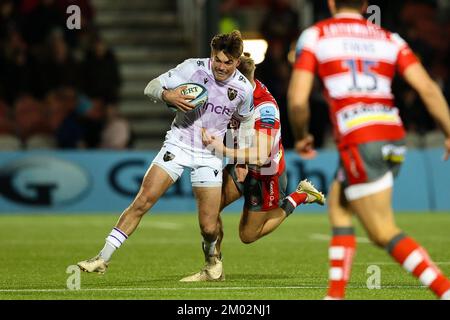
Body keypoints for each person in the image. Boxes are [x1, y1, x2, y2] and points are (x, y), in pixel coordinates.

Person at [288, 0, 450, 300]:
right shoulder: (389, 39)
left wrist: (301, 136)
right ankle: (335, 296)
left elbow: (298, 100)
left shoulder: (316, 36)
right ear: (364, 5)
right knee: (338, 204)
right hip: (393, 135)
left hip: (361, 138)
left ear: (331, 3)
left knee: (382, 232)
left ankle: (444, 290)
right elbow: (428, 88)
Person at [77, 30, 254, 282]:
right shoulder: (193, 68)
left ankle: (212, 262)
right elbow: (152, 86)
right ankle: (102, 258)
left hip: (210, 155)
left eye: (228, 62)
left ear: (237, 62)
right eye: (217, 60)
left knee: (208, 226)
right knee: (142, 201)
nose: (221, 67)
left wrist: (241, 159)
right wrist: (167, 95)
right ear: (211, 55)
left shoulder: (244, 89)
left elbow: (245, 122)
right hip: (178, 145)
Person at [201, 54, 325, 270]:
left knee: (247, 235)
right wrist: (237, 162)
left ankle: (300, 196)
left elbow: (259, 156)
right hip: (241, 162)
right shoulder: (233, 94)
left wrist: (224, 150)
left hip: (266, 173)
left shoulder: (265, 108)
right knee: (210, 210)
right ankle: (213, 267)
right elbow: (233, 125)